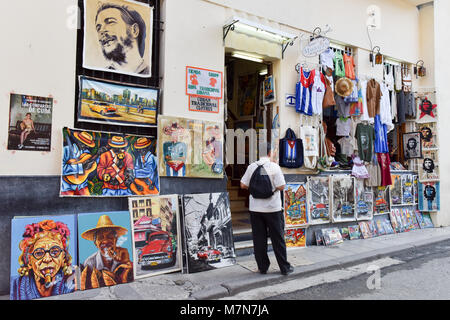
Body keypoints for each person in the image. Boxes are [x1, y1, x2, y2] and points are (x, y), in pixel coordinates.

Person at [240, 142, 293, 276]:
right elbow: (281, 186)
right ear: (270, 152)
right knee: (278, 239)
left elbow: (242, 185)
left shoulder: (252, 167)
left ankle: (263, 268)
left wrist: (255, 188)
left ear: (260, 152)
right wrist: (271, 189)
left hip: (255, 209)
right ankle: (284, 268)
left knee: (259, 239)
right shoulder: (274, 166)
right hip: (273, 209)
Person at [10, 220, 75, 300]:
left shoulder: (73, 281)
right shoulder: (14, 286)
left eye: (55, 252)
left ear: (63, 258)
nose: (47, 259)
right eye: (39, 253)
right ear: (29, 260)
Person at [80, 215, 133, 290]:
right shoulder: (90, 263)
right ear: (96, 243)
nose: (105, 241)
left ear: (116, 240)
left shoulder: (122, 256)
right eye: (101, 238)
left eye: (110, 237)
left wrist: (127, 261)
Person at [95, 3, 149, 75]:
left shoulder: (149, 73)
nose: (101, 31)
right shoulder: (101, 76)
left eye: (110, 22)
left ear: (134, 30)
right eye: (98, 28)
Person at [61, 130, 99, 196]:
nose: (86, 146)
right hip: (67, 187)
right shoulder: (66, 150)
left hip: (82, 185)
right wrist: (80, 167)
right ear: (77, 141)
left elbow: (93, 164)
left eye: (87, 145)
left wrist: (97, 156)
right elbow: (62, 168)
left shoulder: (86, 152)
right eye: (83, 143)